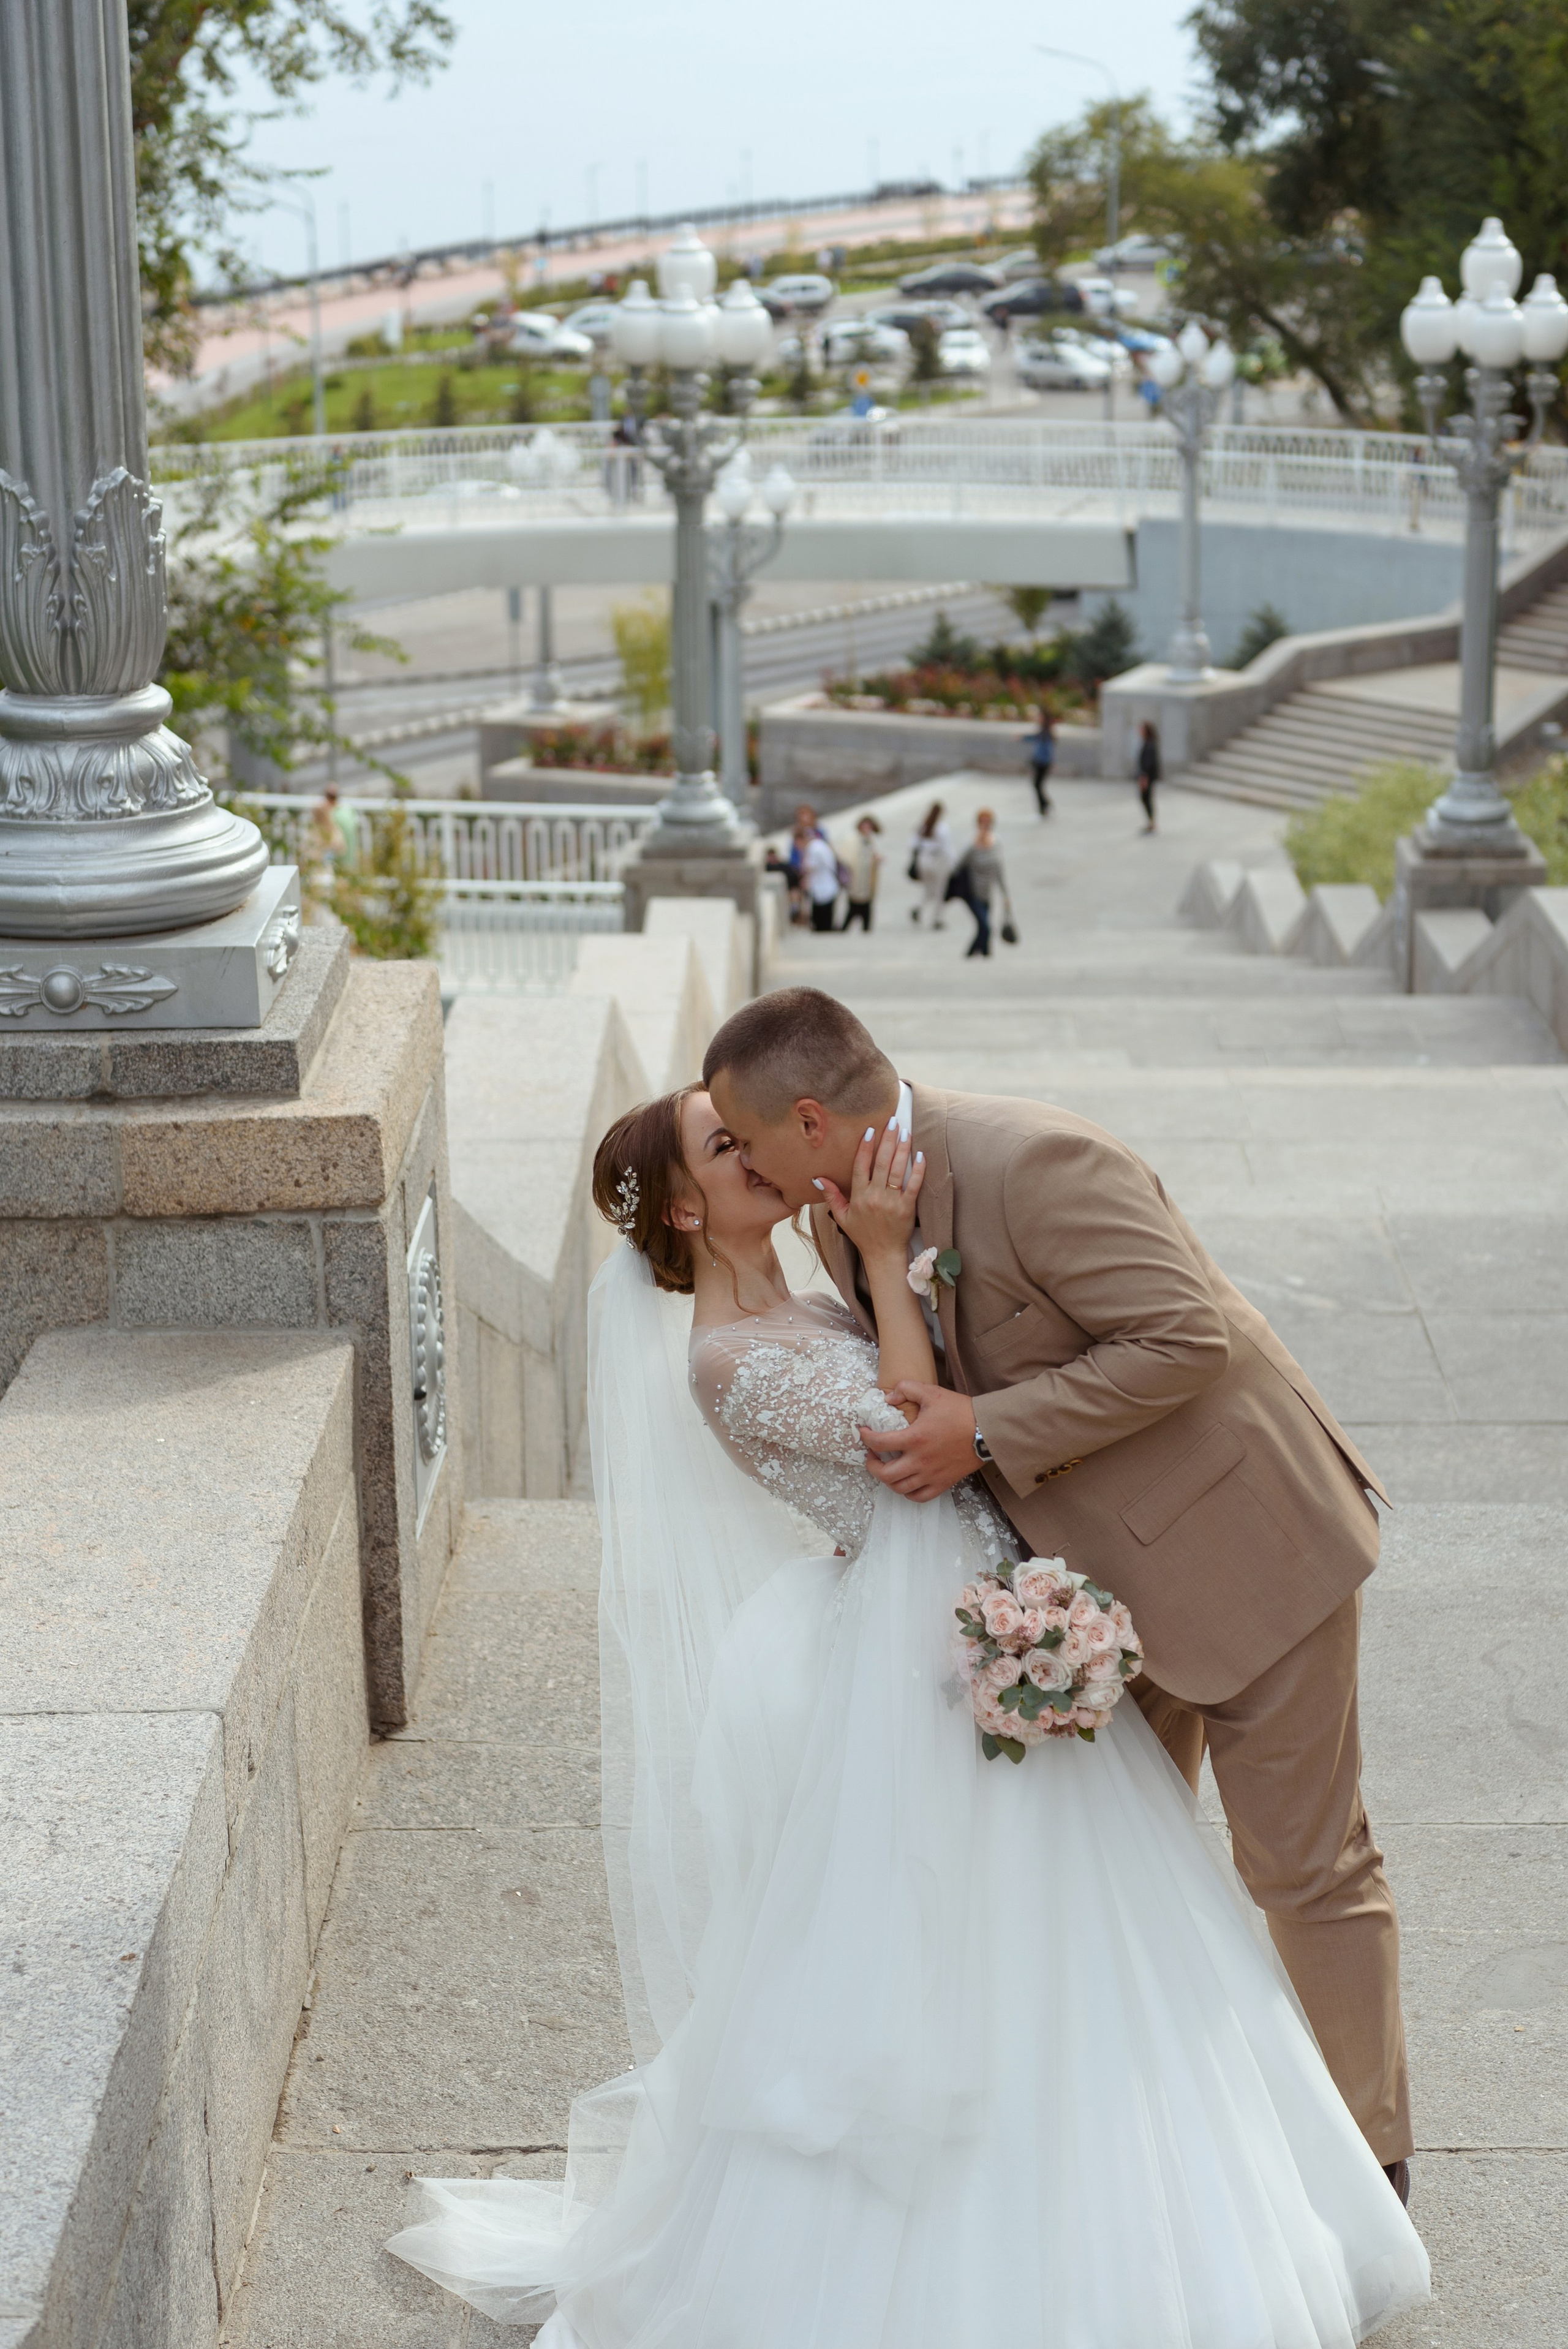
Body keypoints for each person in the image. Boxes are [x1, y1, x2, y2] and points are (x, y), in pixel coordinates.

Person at [387, 1012, 1430, 2345]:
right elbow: (900, 1433)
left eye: (742, 1130)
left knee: (1297, 1871)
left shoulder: (1021, 1165)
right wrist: (889, 1273)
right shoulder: (808, 1267)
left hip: (1228, 1552)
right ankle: (1104, 2187)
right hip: (1004, 1616)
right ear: (697, 1206)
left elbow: (1174, 1339)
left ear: (804, 1124)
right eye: (722, 1149)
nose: (757, 1161)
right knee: (1087, 1914)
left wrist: (947, 1376)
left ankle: (1368, 2168)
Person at [957, 806, 1012, 958]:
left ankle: (986, 954)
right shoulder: (972, 844)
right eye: (983, 822)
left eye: (988, 822)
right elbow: (958, 866)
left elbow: (999, 870)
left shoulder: (996, 843)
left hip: (988, 892)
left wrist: (1005, 895)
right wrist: (976, 844)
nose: (986, 825)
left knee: (983, 927)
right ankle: (970, 955)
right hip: (973, 892)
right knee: (986, 927)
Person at [908, 799, 954, 929]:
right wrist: (954, 864)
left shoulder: (923, 826)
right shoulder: (942, 828)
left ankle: (919, 908)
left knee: (929, 889)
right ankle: (937, 919)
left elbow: (913, 844)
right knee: (940, 891)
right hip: (937, 861)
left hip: (923, 861)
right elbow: (947, 848)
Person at [839, 813, 883, 930]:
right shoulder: (853, 840)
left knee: (866, 908)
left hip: (867, 881)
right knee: (854, 907)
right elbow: (848, 859)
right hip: (856, 879)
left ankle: (865, 930)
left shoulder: (869, 840)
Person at [801, 824, 842, 932]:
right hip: (827, 884)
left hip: (823, 886)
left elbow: (811, 866)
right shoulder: (822, 845)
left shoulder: (814, 847)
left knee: (822, 919)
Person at [1022, 705, 1057, 815]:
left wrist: (1049, 762)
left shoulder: (1046, 732)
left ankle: (1045, 805)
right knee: (1038, 785)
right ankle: (1045, 805)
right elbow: (1034, 738)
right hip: (1040, 761)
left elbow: (1047, 749)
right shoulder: (1044, 731)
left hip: (1042, 762)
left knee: (1037, 785)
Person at [1137, 717, 1161, 831]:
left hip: (1148, 777)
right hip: (1147, 776)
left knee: (1146, 798)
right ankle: (1151, 822)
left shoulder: (1150, 745)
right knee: (1146, 798)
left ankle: (1152, 822)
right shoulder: (1148, 743)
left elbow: (1149, 763)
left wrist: (1144, 777)